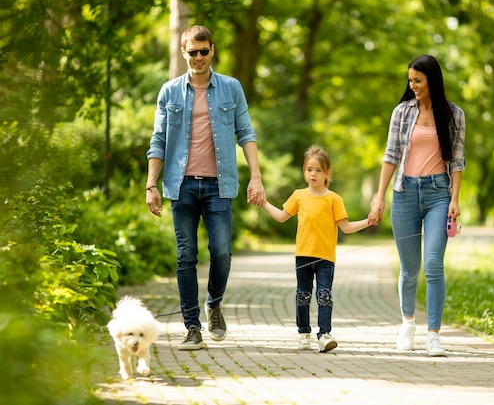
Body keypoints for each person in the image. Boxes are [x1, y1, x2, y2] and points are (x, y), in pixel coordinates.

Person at [146, 25, 266, 350]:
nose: (198, 57)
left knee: (222, 253)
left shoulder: (231, 88)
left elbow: (247, 133)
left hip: (219, 185)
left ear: (212, 50)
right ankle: (191, 328)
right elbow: (158, 140)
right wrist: (150, 185)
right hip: (181, 185)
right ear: (183, 52)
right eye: (192, 52)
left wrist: (256, 176)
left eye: (203, 51)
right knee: (186, 256)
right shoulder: (169, 92)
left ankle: (214, 304)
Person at [367, 54, 465, 357]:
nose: (413, 86)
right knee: (409, 270)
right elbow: (390, 155)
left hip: (438, 194)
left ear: (432, 80)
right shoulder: (401, 112)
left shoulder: (453, 114)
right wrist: (379, 195)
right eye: (410, 81)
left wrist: (455, 200)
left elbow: (458, 159)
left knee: (434, 264)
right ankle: (407, 324)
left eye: (418, 81)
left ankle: (433, 334)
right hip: (405, 193)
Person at [261, 145, 372, 352]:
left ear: (327, 173)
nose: (313, 174)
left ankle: (324, 335)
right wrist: (263, 202)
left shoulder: (334, 199)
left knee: (324, 295)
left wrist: (368, 221)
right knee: (302, 295)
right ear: (304, 171)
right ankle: (304, 333)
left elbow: (346, 228)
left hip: (325, 259)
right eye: (309, 169)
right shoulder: (298, 196)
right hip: (303, 256)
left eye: (318, 170)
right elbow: (281, 217)